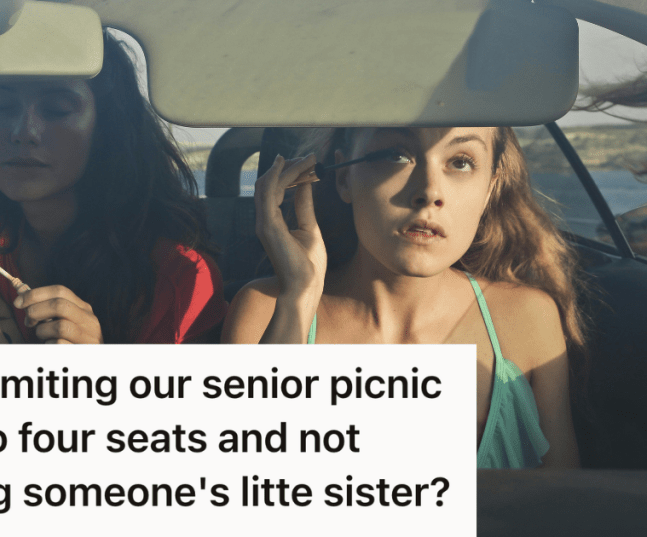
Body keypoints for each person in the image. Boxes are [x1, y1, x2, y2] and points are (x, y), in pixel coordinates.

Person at [222, 127, 584, 468]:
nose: (430, 191)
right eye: (396, 155)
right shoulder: (267, 311)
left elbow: (565, 502)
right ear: (344, 177)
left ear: (490, 189)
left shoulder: (526, 319)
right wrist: (297, 303)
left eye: (461, 162)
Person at [0, 30, 226, 344]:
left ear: (104, 128)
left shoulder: (179, 278)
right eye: (1, 106)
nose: (24, 132)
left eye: (57, 110)